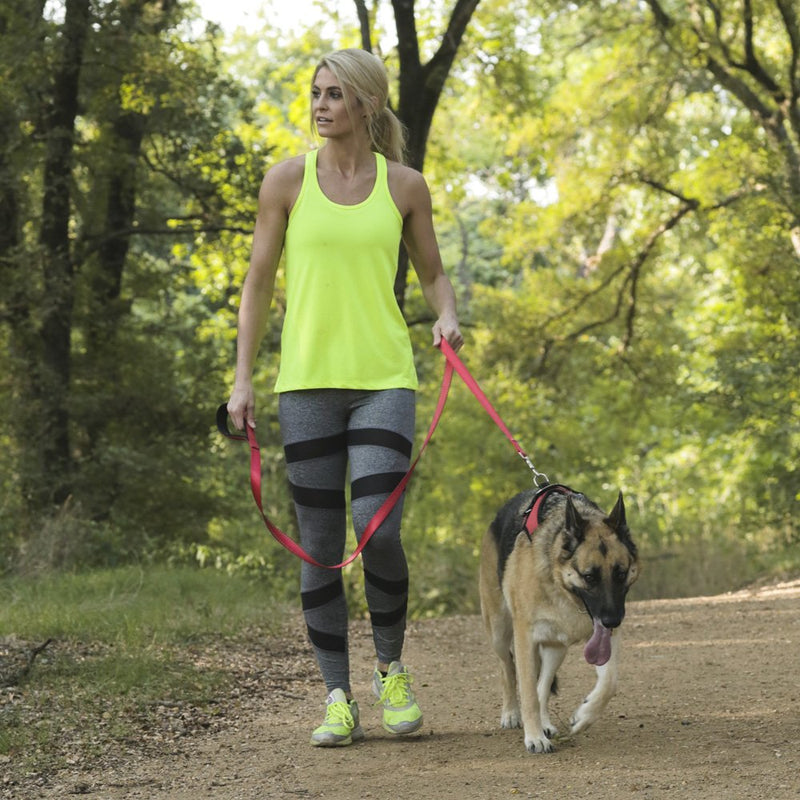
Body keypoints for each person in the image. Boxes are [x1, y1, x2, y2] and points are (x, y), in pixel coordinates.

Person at [226, 47, 463, 747]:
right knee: (320, 545)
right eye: (316, 93)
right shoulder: (287, 182)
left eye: (334, 94)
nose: (321, 104)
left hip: (385, 379)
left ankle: (391, 671)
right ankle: (337, 695)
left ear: (366, 104)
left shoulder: (406, 186)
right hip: (305, 385)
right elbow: (257, 286)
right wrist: (242, 379)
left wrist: (446, 315)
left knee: (378, 529)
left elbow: (433, 275)